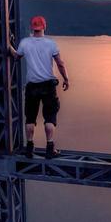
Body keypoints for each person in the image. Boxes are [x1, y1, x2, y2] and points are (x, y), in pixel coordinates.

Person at [10, 15, 70, 159]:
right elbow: (60, 63)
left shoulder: (25, 43)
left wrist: (9, 46)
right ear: (44, 27)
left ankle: (29, 148)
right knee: (49, 117)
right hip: (48, 86)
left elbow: (16, 57)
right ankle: (50, 148)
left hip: (32, 86)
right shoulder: (51, 44)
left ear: (32, 27)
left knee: (30, 118)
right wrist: (66, 79)